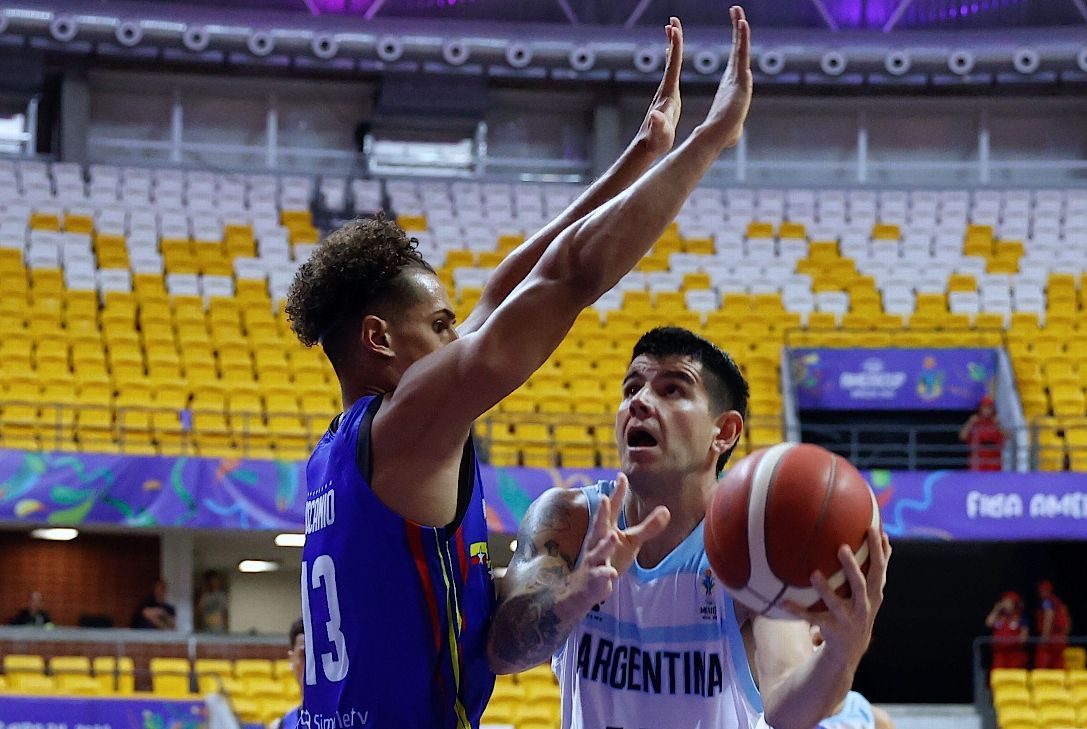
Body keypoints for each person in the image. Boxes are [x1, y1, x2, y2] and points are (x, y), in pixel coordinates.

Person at [287, 8, 753, 726]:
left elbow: (506, 286)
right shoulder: (413, 421)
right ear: (380, 340)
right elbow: (567, 279)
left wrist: (639, 153)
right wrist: (709, 141)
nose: (461, 334)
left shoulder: (347, 446)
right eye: (440, 327)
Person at [489, 327, 890, 729]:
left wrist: (843, 651)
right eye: (631, 390)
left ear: (725, 432)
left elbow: (787, 708)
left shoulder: (754, 543)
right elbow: (503, 654)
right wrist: (576, 595)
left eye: (672, 390)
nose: (640, 402)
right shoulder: (570, 520)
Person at [268, 619, 306, 729]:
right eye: (305, 654)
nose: (312, 666)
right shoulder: (280, 726)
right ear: (291, 660)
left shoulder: (351, 719)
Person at [985, 591, 1028, 670]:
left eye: (1008, 602)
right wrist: (996, 610)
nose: (1006, 604)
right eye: (1005, 601)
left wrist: (1012, 642)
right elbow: (988, 623)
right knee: (998, 675)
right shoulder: (999, 617)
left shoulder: (1021, 618)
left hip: (1015, 654)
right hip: (999, 654)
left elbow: (1024, 637)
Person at [959, 396, 1004, 471]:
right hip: (977, 463)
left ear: (993, 409)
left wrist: (998, 425)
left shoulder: (996, 422)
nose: (986, 410)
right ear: (980, 408)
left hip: (993, 464)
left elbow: (1007, 436)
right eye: (984, 407)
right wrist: (970, 423)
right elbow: (962, 436)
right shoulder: (975, 422)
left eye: (989, 408)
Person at [1033, 581, 1071, 670]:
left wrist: (1045, 636)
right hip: (1060, 638)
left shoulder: (1047, 602)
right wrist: (1064, 636)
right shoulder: (1059, 604)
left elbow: (1048, 617)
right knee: (1058, 663)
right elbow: (1068, 623)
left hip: (1051, 638)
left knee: (1043, 662)